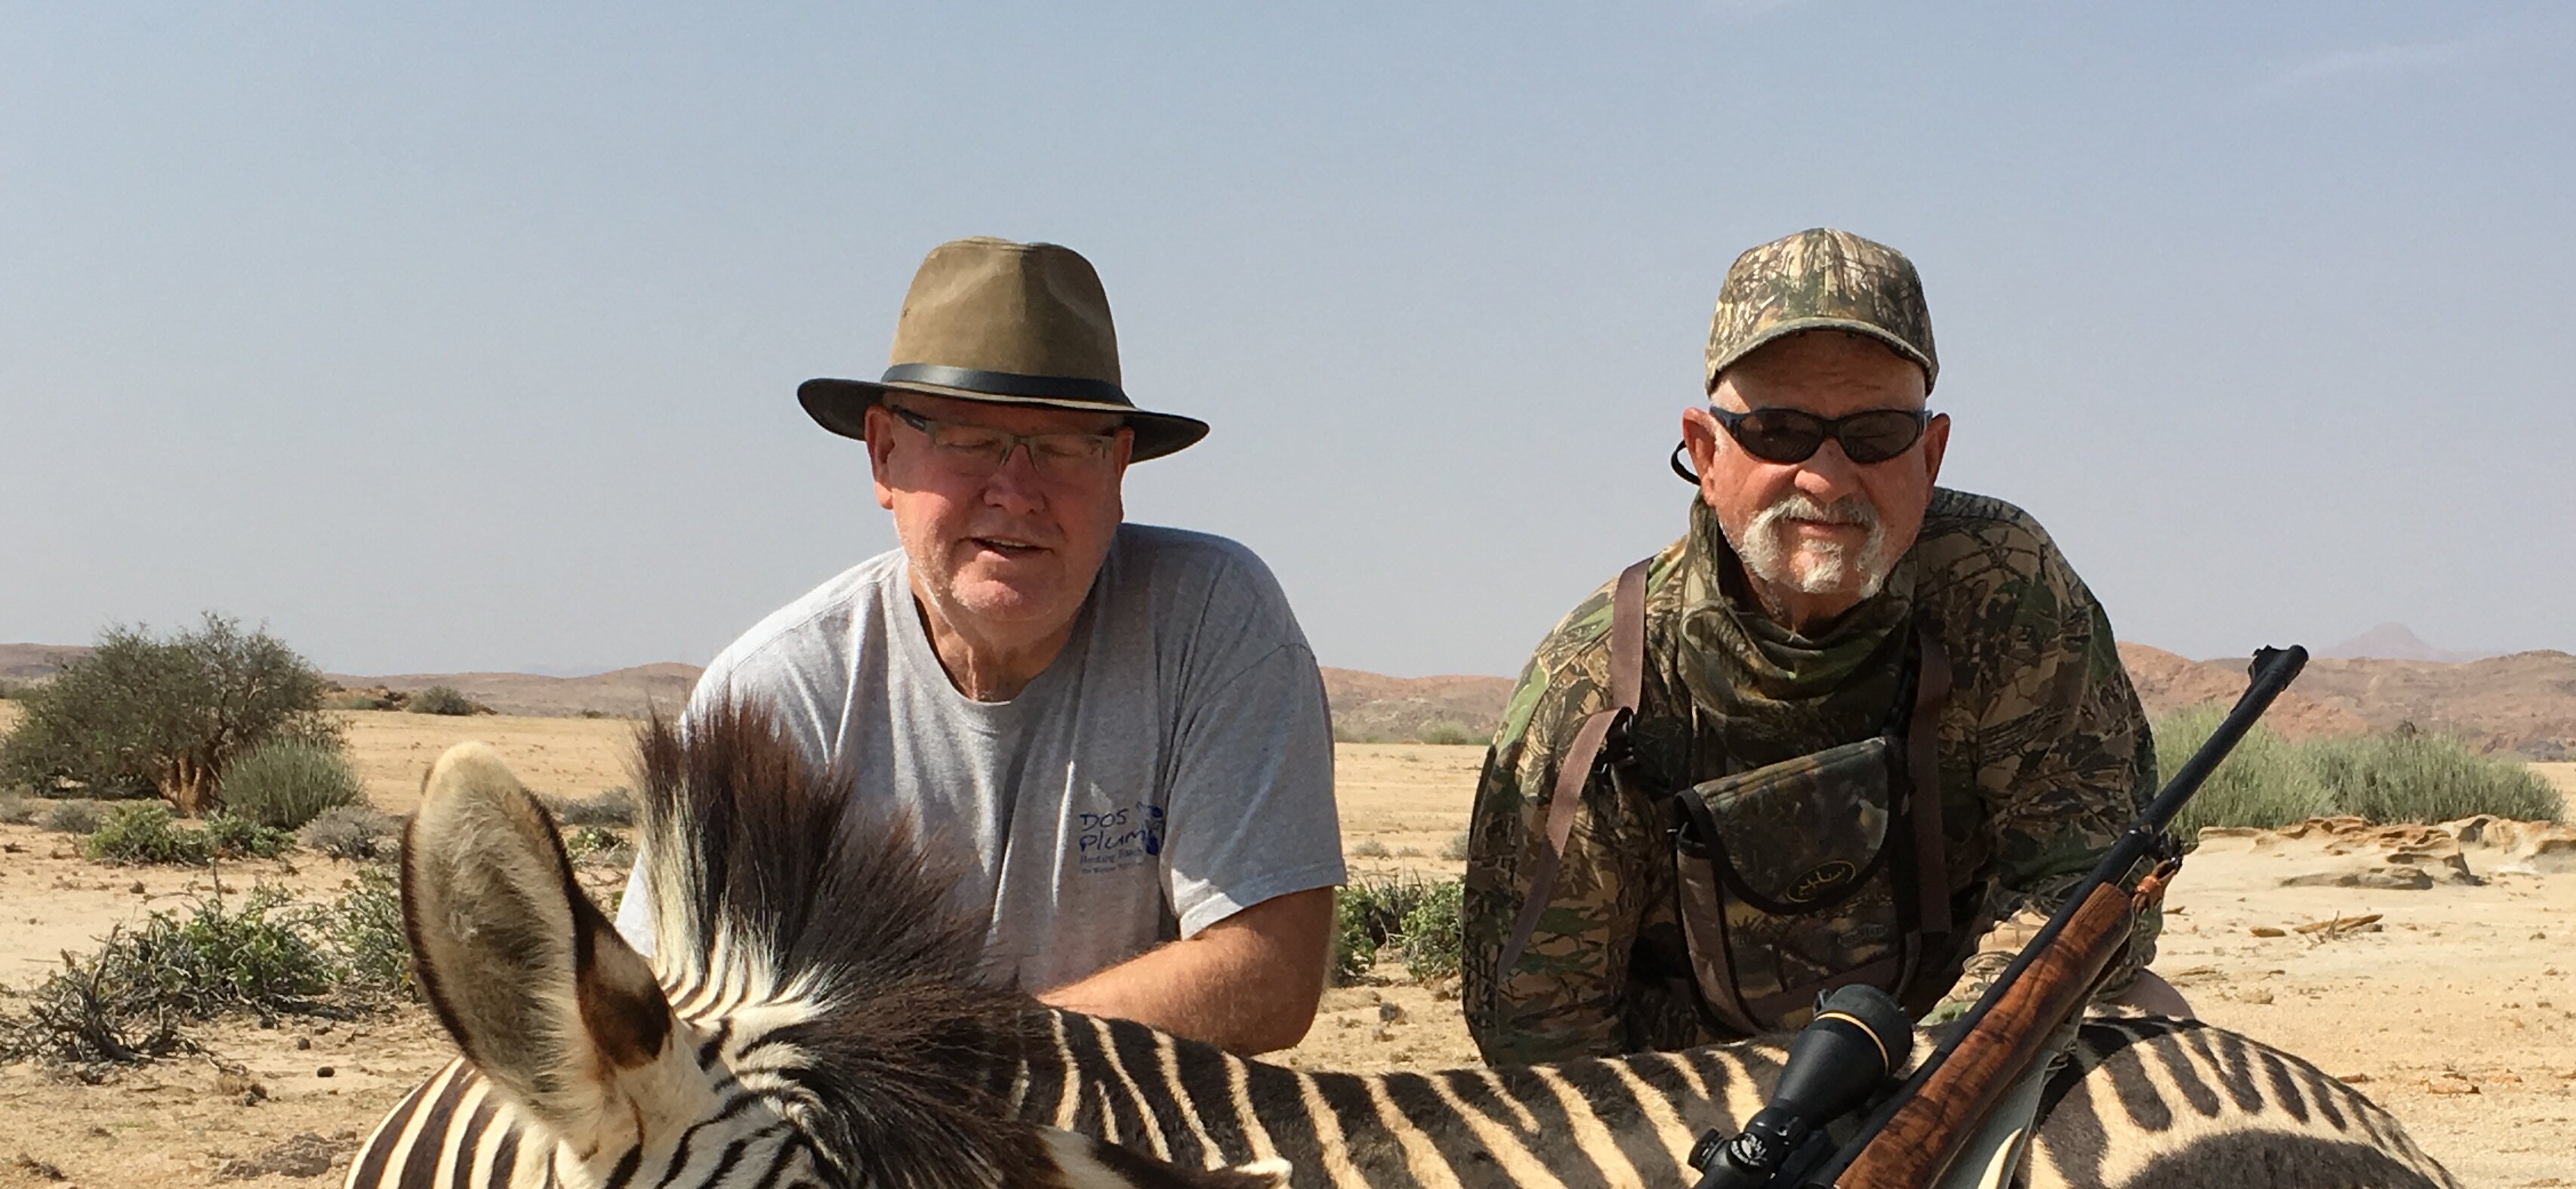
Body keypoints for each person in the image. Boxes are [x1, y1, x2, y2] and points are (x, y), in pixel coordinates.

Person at [1460, 226, 2185, 1066]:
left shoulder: (2004, 587)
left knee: (2150, 1031)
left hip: (1954, 1051)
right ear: (1705, 451)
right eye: (1778, 431)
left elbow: (2085, 886)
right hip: (1689, 1099)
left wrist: (1935, 1066)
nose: (1829, 478)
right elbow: (1540, 1027)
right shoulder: (1601, 684)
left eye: (1876, 435)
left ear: (1932, 452)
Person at [619, 238, 1341, 1055]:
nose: (1017, 491)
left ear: (1120, 467)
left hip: (1134, 1160)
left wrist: (951, 1067)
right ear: (884, 454)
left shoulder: (1213, 618)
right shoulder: (772, 698)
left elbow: (1267, 973)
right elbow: (672, 1032)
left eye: (1065, 446)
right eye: (968, 439)